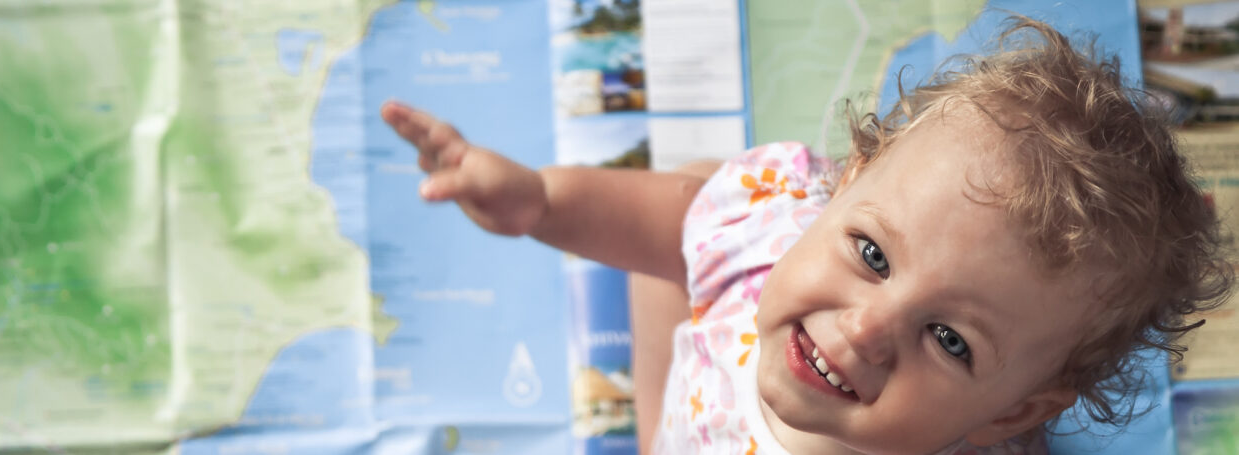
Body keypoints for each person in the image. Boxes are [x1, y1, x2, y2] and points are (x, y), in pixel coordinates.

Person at [379, 17, 1233, 455]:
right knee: (689, 223)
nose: (863, 327)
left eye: (948, 339)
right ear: (848, 178)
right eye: (871, 254)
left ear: (1010, 410)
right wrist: (537, 200)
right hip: (700, 393)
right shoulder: (773, 223)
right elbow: (659, 219)